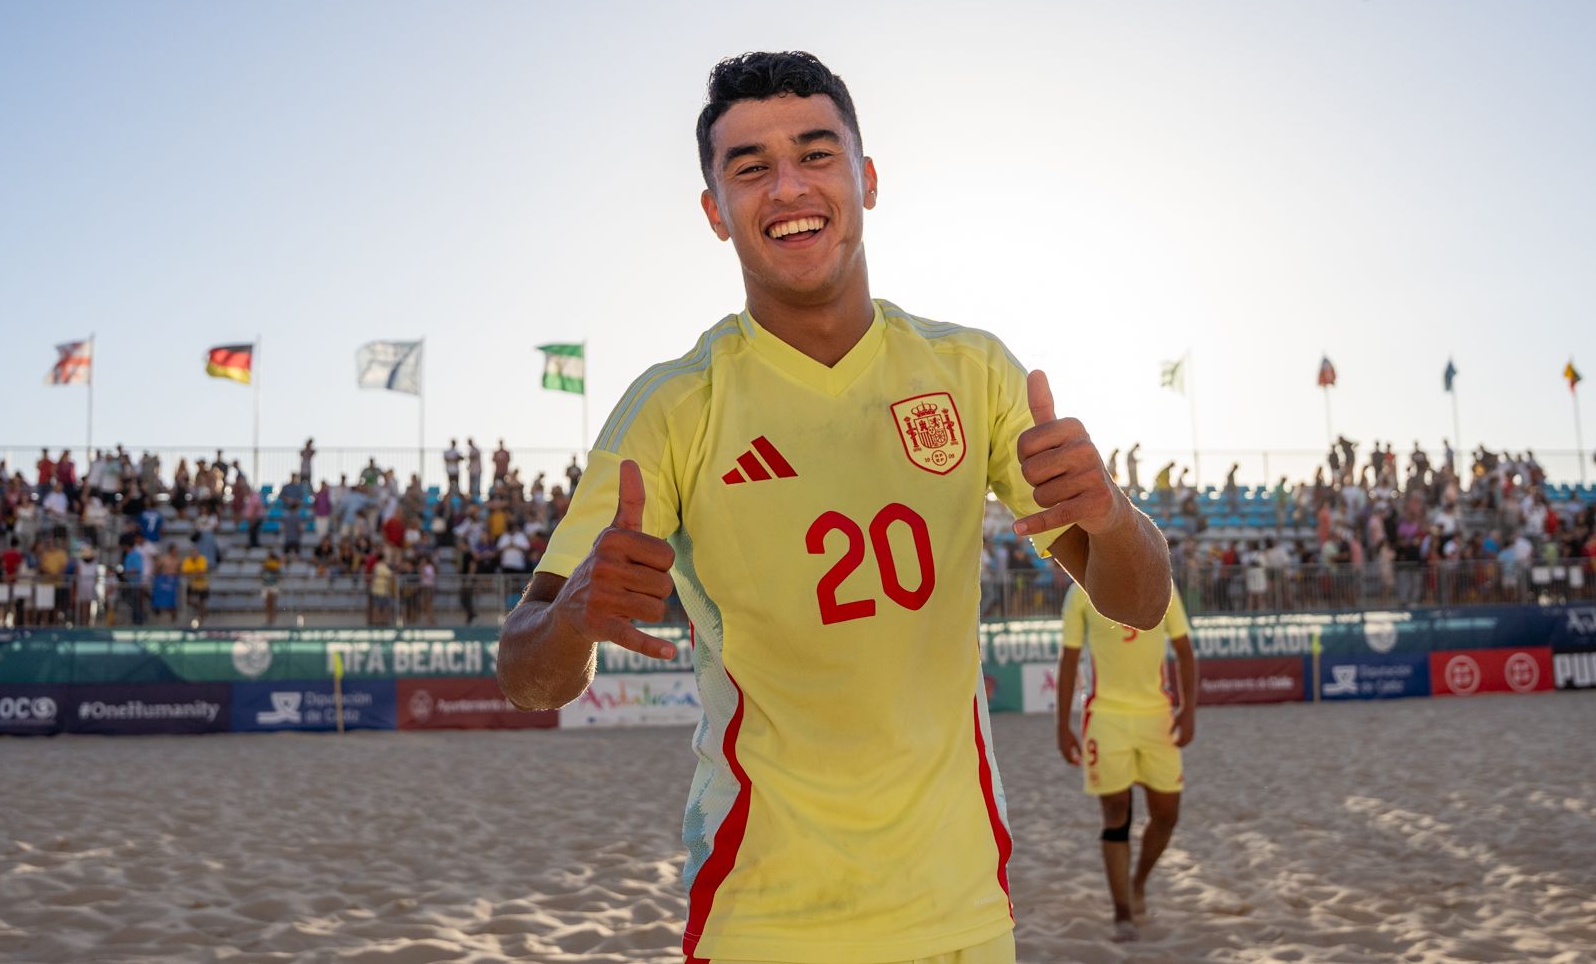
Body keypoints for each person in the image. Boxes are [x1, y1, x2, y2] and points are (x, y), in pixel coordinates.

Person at [496, 51, 1169, 964]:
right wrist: (574, 615)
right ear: (713, 211)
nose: (787, 186)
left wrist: (1113, 514)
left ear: (867, 179)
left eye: (816, 153)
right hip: (762, 910)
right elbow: (528, 673)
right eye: (748, 167)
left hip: (959, 900)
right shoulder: (671, 407)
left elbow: (1133, 599)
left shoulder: (971, 372)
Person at [1056, 579, 1196, 943]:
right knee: (1117, 814)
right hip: (1105, 716)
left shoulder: (1161, 583)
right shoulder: (1079, 591)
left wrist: (1189, 709)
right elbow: (1069, 659)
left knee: (1167, 815)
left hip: (1157, 717)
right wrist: (1062, 725)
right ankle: (1121, 912)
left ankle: (1138, 883)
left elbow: (1184, 650)